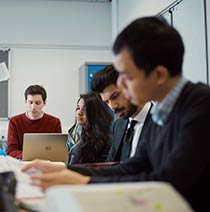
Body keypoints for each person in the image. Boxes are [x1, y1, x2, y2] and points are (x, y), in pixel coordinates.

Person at [22, 16, 210, 212]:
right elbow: (131, 168)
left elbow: (166, 183)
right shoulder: (162, 112)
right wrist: (63, 169)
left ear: (159, 75)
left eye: (127, 77)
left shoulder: (201, 106)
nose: (120, 85)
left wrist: (84, 183)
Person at [91, 64, 152, 162]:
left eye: (115, 96)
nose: (112, 107)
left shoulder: (163, 121)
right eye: (107, 102)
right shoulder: (119, 125)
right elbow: (110, 166)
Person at [7, 85, 62, 159]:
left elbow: (58, 150)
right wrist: (30, 157)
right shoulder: (14, 122)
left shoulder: (55, 122)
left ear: (44, 103)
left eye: (37, 103)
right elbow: (11, 150)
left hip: (47, 163)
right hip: (21, 163)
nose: (33, 107)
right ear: (25, 102)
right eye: (30, 102)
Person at [67, 92, 112, 165]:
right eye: (78, 108)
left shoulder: (104, 141)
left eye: (84, 109)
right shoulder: (78, 135)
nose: (79, 113)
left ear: (95, 113)